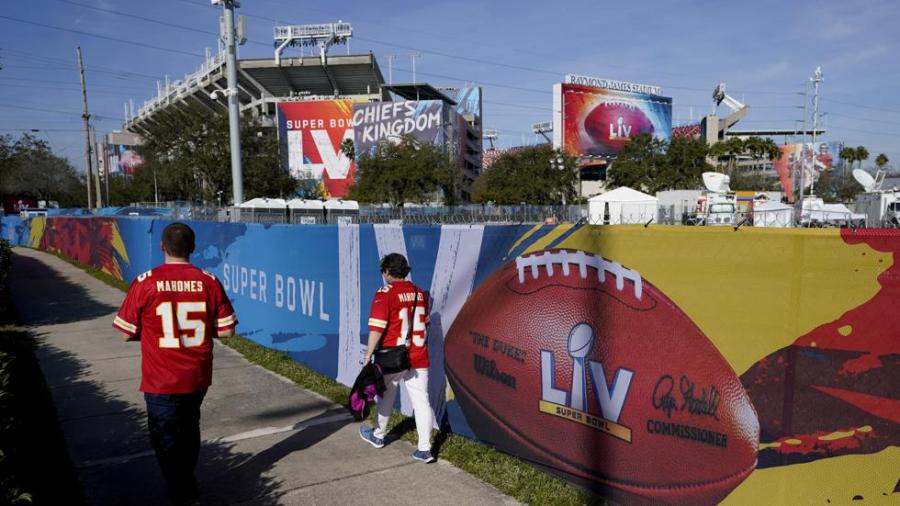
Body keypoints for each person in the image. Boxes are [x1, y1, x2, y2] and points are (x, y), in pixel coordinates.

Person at [113, 223, 237, 505]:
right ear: (192, 249)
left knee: (165, 436)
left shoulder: (145, 281)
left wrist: (154, 333)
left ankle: (181, 489)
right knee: (189, 427)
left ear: (162, 247)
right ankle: (186, 481)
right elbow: (228, 330)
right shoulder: (209, 280)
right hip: (197, 374)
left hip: (161, 377)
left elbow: (124, 332)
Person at [358, 253, 435, 463]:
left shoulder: (385, 292)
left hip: (393, 356)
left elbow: (377, 328)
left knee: (386, 395)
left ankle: (378, 435)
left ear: (388, 272)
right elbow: (425, 320)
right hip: (418, 355)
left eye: (383, 271)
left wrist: (368, 354)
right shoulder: (419, 292)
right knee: (421, 402)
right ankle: (425, 449)